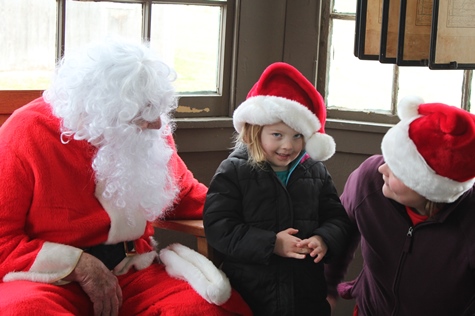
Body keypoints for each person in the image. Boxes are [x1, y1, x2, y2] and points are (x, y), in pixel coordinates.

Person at [0, 37, 252, 316]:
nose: (157, 123)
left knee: (206, 311)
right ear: (97, 111)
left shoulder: (148, 130)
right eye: (142, 113)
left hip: (134, 270)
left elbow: (185, 196)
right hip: (46, 281)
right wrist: (77, 264)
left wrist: (260, 211)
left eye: (157, 108)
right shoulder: (25, 132)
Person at [203, 62, 353, 315]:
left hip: (305, 294)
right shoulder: (234, 171)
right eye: (277, 135)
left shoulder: (315, 172)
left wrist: (323, 239)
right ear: (254, 131)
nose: (288, 146)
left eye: (297, 136)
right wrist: (271, 243)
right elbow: (219, 227)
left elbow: (337, 218)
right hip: (252, 292)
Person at [325, 96, 475, 316]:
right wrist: (326, 289)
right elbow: (339, 229)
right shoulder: (368, 181)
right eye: (388, 158)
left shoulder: (470, 222)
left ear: (427, 188)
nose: (382, 169)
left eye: (397, 169)